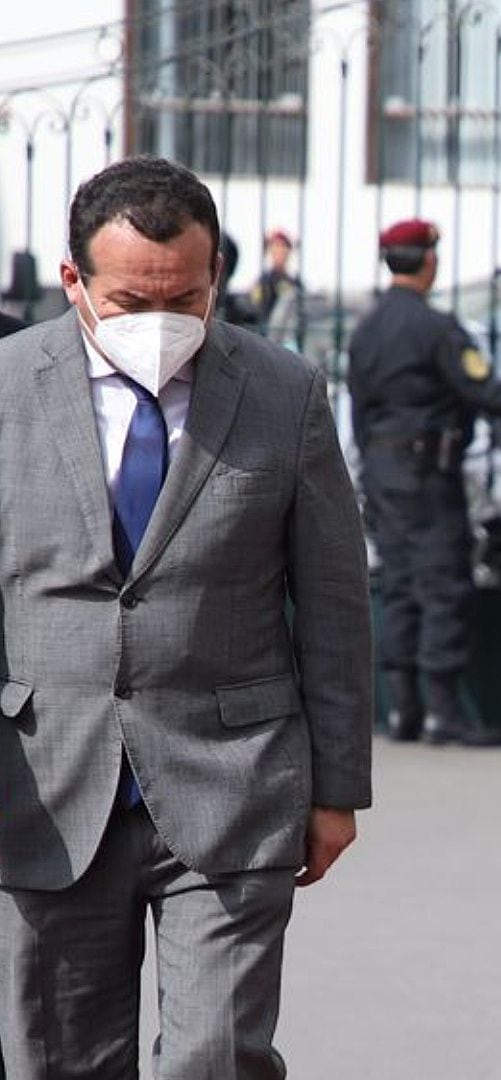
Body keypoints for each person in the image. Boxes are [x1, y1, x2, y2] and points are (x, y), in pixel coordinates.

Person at [0, 155, 371, 1076]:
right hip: (45, 785)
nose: (162, 325)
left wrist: (338, 788)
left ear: (215, 281)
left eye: (188, 299)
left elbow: (332, 600)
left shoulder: (284, 391)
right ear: (73, 281)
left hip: (231, 781)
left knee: (215, 1058)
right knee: (62, 1059)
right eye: (132, 302)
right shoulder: (7, 389)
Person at [348, 217, 501, 747]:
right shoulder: (437, 329)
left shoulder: (365, 329)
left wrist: (372, 467)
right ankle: (443, 713)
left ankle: (403, 710)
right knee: (441, 584)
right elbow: (485, 392)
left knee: (400, 585)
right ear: (429, 260)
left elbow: (360, 411)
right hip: (428, 470)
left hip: (385, 470)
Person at [249, 227, 302, 325]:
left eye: (283, 246)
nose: (279, 251)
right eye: (275, 246)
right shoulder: (264, 280)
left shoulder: (296, 282)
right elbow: (255, 306)